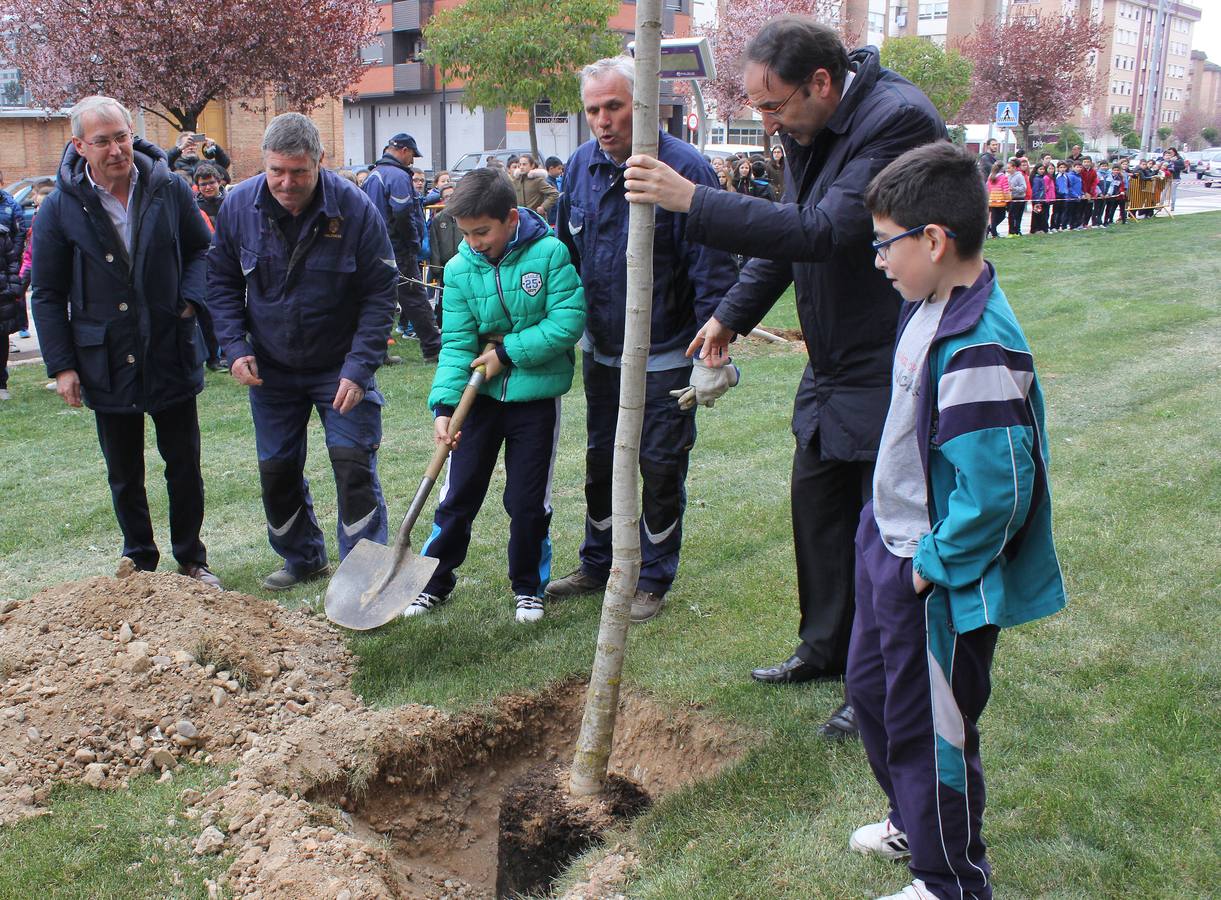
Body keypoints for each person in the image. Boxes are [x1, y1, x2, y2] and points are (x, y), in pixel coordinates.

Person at [622, 15, 945, 740]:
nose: (767, 121)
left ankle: (878, 683)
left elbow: (824, 232)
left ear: (821, 83)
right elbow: (789, 230)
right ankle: (824, 648)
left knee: (882, 532)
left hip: (887, 355)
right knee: (818, 508)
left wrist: (692, 199)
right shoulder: (810, 129)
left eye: (773, 106)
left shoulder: (895, 122)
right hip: (832, 362)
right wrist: (730, 316)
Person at [848, 139, 1065, 900]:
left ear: (933, 240)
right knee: (871, 693)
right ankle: (911, 822)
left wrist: (928, 567)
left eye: (885, 244)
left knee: (930, 730)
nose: (879, 260)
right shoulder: (928, 306)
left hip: (933, 574)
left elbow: (998, 492)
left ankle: (949, 881)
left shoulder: (977, 347)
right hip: (888, 541)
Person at [545, 55, 739, 624]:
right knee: (601, 460)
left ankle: (652, 577)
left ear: (644, 103)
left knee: (659, 465)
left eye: (614, 106)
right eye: (592, 110)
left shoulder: (683, 169)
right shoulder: (580, 166)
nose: (602, 121)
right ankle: (599, 562)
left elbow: (711, 263)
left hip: (667, 352)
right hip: (603, 351)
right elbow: (565, 256)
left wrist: (712, 351)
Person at [31, 95, 219, 586]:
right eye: (102, 141)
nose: (116, 150)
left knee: (184, 464)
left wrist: (188, 300)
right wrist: (62, 365)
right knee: (124, 471)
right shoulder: (59, 207)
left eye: (121, 137)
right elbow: (47, 292)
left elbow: (203, 251)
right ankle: (138, 562)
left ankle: (192, 559)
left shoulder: (168, 187)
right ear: (79, 146)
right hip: (106, 358)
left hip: (169, 346)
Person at [207, 113, 398, 591]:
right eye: (276, 171)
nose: (287, 183)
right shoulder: (238, 207)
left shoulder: (354, 210)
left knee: (352, 463)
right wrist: (234, 346)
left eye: (299, 172)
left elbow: (380, 294)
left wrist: (359, 368)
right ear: (263, 163)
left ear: (320, 161)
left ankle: (362, 573)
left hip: (340, 366)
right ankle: (302, 557)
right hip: (271, 369)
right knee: (276, 469)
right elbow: (221, 281)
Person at [401, 169, 586, 622]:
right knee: (457, 495)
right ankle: (433, 580)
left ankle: (528, 586)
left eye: (482, 232)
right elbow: (457, 344)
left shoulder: (550, 254)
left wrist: (506, 352)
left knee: (527, 501)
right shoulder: (460, 268)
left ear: (510, 218)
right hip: (477, 402)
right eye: (466, 233)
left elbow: (567, 322)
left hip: (534, 401)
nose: (474, 242)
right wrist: (445, 408)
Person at [364, 133, 440, 363]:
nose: (412, 161)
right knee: (415, 297)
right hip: (397, 249)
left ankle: (378, 352)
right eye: (412, 155)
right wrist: (412, 242)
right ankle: (433, 349)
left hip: (373, 249)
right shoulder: (397, 176)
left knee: (379, 301)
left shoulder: (373, 175)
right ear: (404, 150)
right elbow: (402, 212)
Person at [0, 184, 24, 401]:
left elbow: (11, 262)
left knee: (1, 338)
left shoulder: (2, 233)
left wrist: (13, 287)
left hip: (2, 293)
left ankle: (1, 383)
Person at [511, 154, 560, 219]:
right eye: (520, 164)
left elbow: (554, 193)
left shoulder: (537, 180)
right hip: (521, 218)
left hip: (535, 218)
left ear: (532, 165)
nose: (521, 167)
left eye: (524, 164)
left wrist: (543, 207)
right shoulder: (516, 181)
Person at [1005, 159, 1026, 236]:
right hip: (1011, 198)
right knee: (1011, 216)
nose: (1007, 170)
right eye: (1007, 168)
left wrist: (1013, 188)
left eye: (1009, 168)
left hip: (1018, 198)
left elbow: (1024, 188)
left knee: (1016, 216)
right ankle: (1012, 231)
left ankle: (1016, 231)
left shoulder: (1019, 176)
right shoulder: (1008, 176)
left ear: (1014, 168)